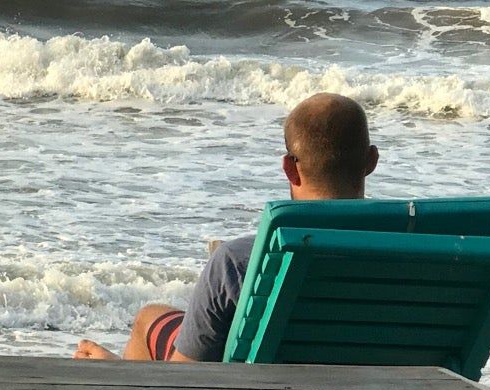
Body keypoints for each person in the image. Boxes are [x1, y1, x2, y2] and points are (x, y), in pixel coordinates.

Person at [75, 93, 377, 364]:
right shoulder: (415, 250)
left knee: (147, 319)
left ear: (288, 167)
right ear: (371, 161)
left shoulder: (238, 263)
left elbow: (182, 384)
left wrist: (115, 369)